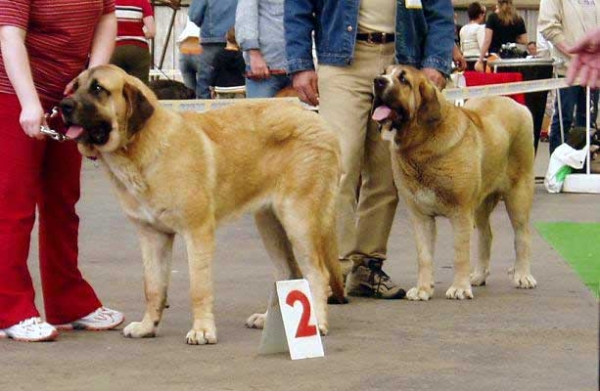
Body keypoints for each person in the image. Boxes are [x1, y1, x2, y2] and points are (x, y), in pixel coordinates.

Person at [285, 0, 454, 299]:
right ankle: (332, 269)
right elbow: (297, 7)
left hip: (400, 60)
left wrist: (435, 62)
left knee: (386, 174)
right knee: (339, 166)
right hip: (342, 63)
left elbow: (439, 10)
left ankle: (367, 267)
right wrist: (300, 65)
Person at [0, 0, 123, 343]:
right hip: (13, 90)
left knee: (63, 202)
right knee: (14, 205)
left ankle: (69, 302)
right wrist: (28, 102)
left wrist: (89, 81)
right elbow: (9, 37)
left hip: (66, 94)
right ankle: (10, 309)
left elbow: (107, 16)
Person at [539, 0, 600, 154]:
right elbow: (548, 27)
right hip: (566, 70)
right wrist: (573, 52)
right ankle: (557, 169)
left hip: (592, 71)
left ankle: (581, 167)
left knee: (588, 121)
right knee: (563, 119)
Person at [235, 0, 292, 98]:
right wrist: (254, 54)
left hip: (298, 68)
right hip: (265, 70)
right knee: (259, 112)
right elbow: (246, 15)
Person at [188, 0, 238, 99]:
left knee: (206, 82)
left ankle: (204, 112)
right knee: (240, 80)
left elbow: (194, 15)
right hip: (238, 38)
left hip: (211, 40)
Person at [110, 0, 155, 84]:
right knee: (140, 87)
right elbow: (151, 32)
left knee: (115, 85)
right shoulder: (143, 2)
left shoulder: (110, 3)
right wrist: (137, 36)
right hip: (139, 49)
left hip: (115, 48)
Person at [475, 0, 527, 71]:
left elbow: (487, 40)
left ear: (498, 3)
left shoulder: (492, 18)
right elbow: (524, 40)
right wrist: (510, 37)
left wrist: (480, 60)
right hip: (512, 57)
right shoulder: (518, 19)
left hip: (496, 57)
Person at [209, 27, 246, 98]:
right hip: (239, 87)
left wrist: (212, 87)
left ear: (226, 37)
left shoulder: (218, 55)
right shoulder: (241, 55)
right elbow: (244, 71)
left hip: (222, 87)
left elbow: (215, 72)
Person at [177, 16, 202, 97]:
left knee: (189, 93)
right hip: (199, 46)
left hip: (184, 47)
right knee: (204, 90)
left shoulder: (195, 6)